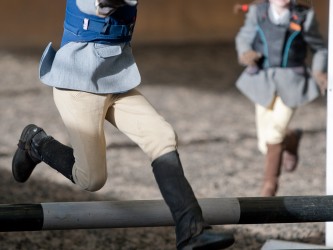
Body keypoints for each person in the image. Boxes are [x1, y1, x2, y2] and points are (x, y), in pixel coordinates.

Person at [12, 0, 235, 249]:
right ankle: (36, 143)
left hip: (115, 81)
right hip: (77, 86)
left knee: (161, 136)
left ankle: (191, 230)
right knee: (92, 179)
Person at [234, 0, 327, 196]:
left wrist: (319, 72)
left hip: (292, 81)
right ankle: (291, 138)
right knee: (264, 145)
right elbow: (244, 35)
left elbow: (319, 48)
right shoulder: (257, 12)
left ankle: (269, 185)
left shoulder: (304, 15)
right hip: (262, 80)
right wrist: (245, 53)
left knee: (275, 132)